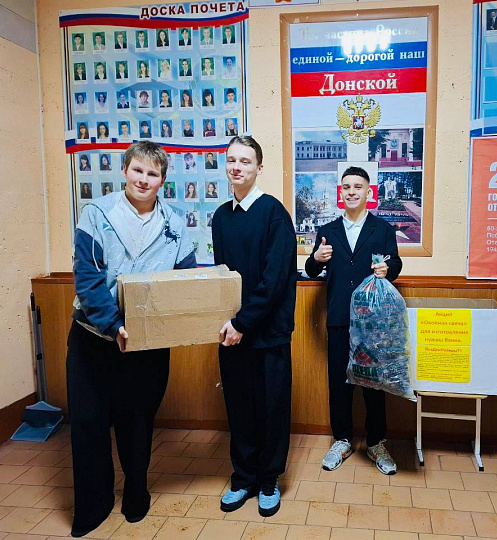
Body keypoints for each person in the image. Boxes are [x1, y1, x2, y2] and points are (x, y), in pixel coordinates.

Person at [67, 141, 196, 538]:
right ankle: (93, 505)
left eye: (152, 174)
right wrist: (113, 325)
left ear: (162, 180)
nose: (143, 179)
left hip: (146, 344)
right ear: (124, 170)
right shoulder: (97, 213)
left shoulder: (175, 222)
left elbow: (184, 279)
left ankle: (136, 493)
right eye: (137, 170)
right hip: (94, 338)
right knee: (89, 422)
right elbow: (88, 278)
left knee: (137, 421)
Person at [212, 136, 297, 517]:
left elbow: (273, 280)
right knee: (239, 408)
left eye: (245, 161)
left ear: (259, 168)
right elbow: (223, 277)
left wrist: (243, 322)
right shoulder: (220, 217)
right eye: (232, 160)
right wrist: (229, 324)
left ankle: (268, 480)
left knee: (271, 409)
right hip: (232, 335)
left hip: (268, 335)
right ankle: (244, 477)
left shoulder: (274, 214)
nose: (237, 167)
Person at [305, 166, 403, 475]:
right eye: (346, 187)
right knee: (339, 383)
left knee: (374, 384)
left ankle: (376, 442)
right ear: (341, 192)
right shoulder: (328, 230)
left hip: (372, 321)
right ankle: (342, 440)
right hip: (338, 318)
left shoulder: (382, 229)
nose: (351, 191)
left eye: (357, 187)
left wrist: (388, 270)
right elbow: (311, 269)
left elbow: (396, 263)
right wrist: (315, 259)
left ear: (368, 192)